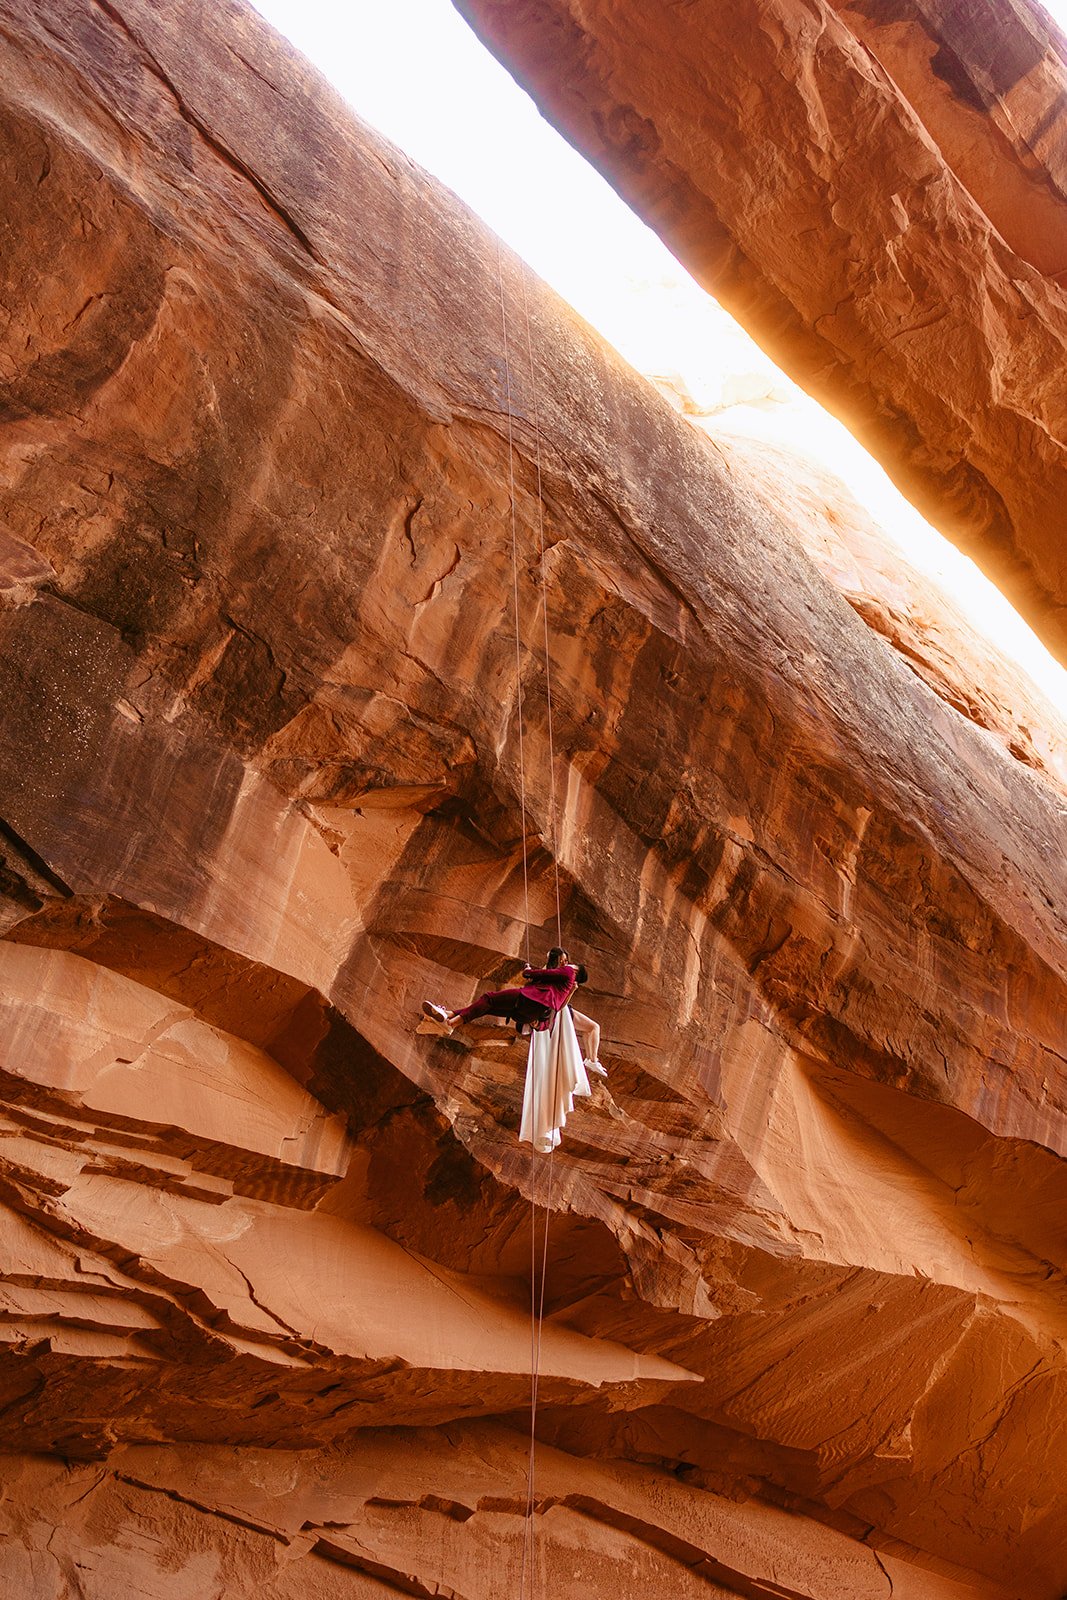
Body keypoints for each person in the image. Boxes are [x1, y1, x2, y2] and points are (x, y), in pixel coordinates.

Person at [422, 946, 604, 1075]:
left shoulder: (567, 973)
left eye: (567, 962)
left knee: (489, 999)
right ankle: (449, 1016)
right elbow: (558, 1003)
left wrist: (528, 971)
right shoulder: (563, 983)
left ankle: (451, 1022)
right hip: (527, 1013)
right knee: (487, 1006)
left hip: (532, 1002)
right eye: (563, 960)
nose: (565, 963)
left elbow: (539, 978)